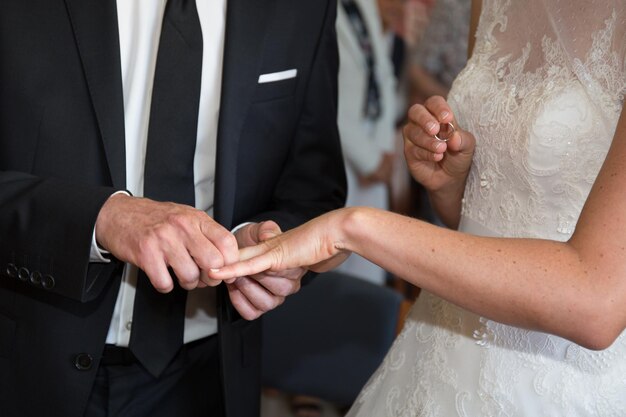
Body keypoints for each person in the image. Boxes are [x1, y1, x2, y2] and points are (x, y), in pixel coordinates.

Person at [211, 0, 626, 415]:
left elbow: (597, 303)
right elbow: (482, 222)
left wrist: (353, 228)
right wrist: (450, 183)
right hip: (442, 343)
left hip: (558, 381)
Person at [0, 0, 346, 416]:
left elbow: (313, 190)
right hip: (27, 364)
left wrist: (262, 242)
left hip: (210, 374)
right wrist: (104, 218)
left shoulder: (305, 9)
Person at [335, 0, 398, 285]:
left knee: (372, 262)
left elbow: (383, 72)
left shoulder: (366, 4)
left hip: (373, 138)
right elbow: (327, 96)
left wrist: (383, 150)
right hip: (340, 149)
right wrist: (369, 159)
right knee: (334, 259)